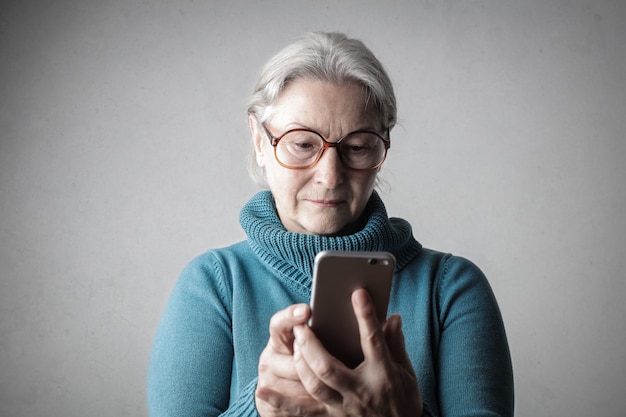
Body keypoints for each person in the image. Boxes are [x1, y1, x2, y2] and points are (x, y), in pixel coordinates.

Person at [147, 31, 514, 417]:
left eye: (357, 147)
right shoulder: (213, 284)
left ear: (384, 145)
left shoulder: (450, 288)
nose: (330, 176)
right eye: (303, 144)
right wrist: (262, 406)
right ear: (259, 140)